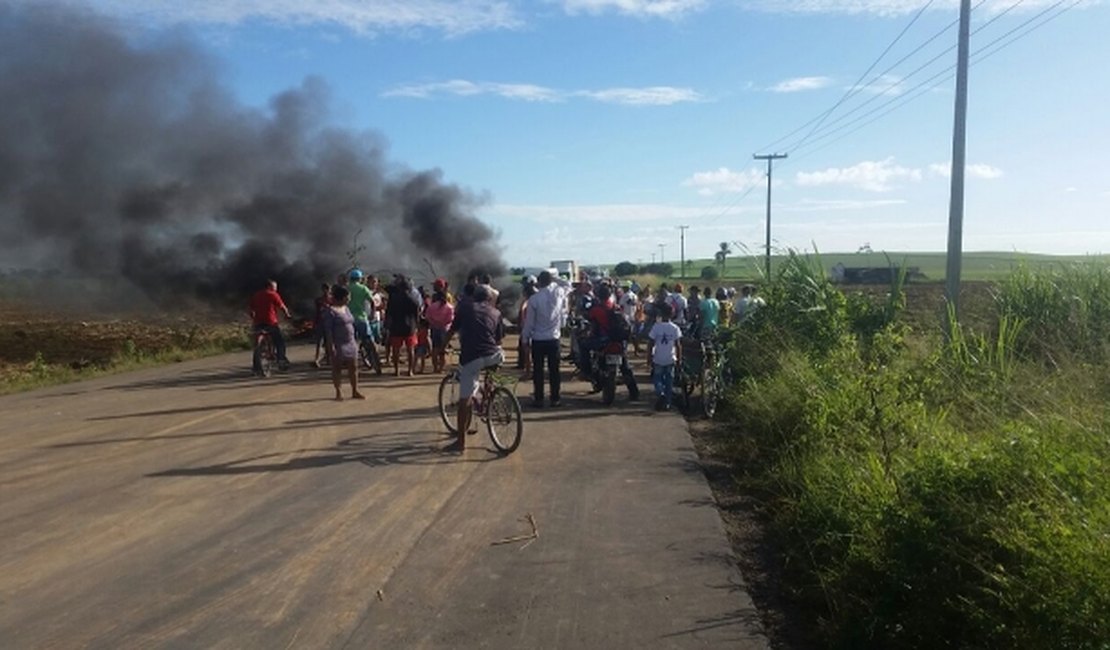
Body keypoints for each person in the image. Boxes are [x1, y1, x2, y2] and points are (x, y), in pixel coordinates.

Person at [445, 285, 505, 452]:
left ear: (474, 297)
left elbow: (452, 330)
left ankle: (460, 443)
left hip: (472, 357)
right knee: (491, 364)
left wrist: (441, 347)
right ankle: (488, 394)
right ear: (488, 298)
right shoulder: (496, 312)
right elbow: (499, 340)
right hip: (495, 355)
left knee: (465, 400)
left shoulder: (465, 308)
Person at [521, 270, 569, 408]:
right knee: (554, 370)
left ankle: (539, 399)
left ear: (539, 282)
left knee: (538, 371)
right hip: (554, 338)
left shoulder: (534, 299)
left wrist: (525, 339)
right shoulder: (559, 293)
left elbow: (529, 322)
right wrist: (555, 278)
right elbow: (569, 285)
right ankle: (555, 398)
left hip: (538, 339)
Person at [585, 284, 639, 400]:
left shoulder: (596, 310)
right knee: (625, 367)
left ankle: (587, 372)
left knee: (584, 347)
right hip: (618, 341)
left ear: (598, 295)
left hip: (603, 341)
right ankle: (634, 392)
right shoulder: (616, 307)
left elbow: (589, 322)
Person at [322, 285, 365, 401]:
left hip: (351, 342)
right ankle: (338, 392)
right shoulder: (330, 312)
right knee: (337, 368)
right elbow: (328, 331)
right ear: (341, 297)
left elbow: (351, 323)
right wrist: (330, 346)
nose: (349, 299)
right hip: (338, 343)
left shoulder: (346, 308)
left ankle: (355, 390)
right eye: (348, 297)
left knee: (354, 367)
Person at [249, 278, 291, 374]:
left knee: (256, 346)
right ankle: (281, 360)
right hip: (271, 322)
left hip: (258, 323)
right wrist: (287, 315)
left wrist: (254, 318)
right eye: (275, 287)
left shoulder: (256, 295)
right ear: (269, 286)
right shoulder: (273, 294)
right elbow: (282, 307)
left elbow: (251, 310)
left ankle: (256, 368)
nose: (276, 289)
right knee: (280, 342)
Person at [648, 302, 682, 411]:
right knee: (669, 381)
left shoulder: (656, 327)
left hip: (658, 358)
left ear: (661, 314)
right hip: (670, 358)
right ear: (672, 315)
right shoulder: (675, 328)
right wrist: (679, 359)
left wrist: (648, 357)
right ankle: (667, 403)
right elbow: (678, 346)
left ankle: (660, 393)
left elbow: (650, 343)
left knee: (657, 379)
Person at [385, 275, 421, 376]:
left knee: (396, 349)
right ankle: (410, 371)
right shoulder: (412, 299)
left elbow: (389, 313)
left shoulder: (394, 299)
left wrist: (387, 326)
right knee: (410, 350)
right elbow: (416, 313)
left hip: (396, 327)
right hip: (410, 327)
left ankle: (397, 371)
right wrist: (417, 325)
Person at [425, 288, 455, 373]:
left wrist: (434, 322)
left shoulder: (432, 306)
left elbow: (427, 317)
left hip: (434, 328)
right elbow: (450, 319)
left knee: (435, 349)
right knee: (442, 350)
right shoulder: (449, 307)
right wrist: (442, 323)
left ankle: (435, 368)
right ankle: (440, 369)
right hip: (444, 329)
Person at [347, 269, 374, 363]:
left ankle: (351, 359)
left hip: (349, 319)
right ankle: (372, 357)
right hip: (362, 317)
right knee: (368, 338)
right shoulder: (363, 288)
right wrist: (372, 314)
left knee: (351, 340)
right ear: (360, 278)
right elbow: (372, 301)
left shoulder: (347, 288)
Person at [312, 282, 332, 368]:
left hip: (329, 322)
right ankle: (317, 359)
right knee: (319, 342)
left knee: (329, 342)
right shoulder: (319, 300)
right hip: (321, 322)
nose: (326, 291)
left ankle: (329, 359)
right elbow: (317, 312)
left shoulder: (332, 300)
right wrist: (315, 323)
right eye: (324, 289)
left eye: (327, 289)